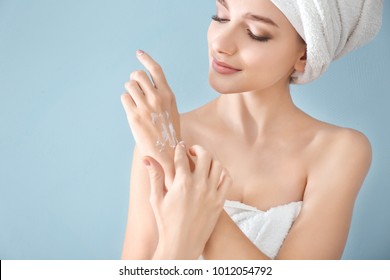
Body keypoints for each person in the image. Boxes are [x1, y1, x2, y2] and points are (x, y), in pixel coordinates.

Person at [120, 0, 384, 259]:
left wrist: (176, 168)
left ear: (303, 55)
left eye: (256, 34)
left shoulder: (339, 151)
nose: (220, 44)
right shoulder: (161, 135)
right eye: (221, 17)